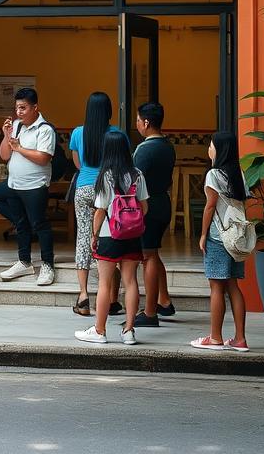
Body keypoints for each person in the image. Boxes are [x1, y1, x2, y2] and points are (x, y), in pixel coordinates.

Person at [74, 132, 148, 345]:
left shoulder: (105, 176)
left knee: (105, 284)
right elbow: (144, 207)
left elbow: (100, 210)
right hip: (133, 236)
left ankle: (99, 331)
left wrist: (94, 236)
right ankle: (129, 331)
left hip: (109, 235)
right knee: (131, 282)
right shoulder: (137, 174)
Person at [0, 87, 57, 286]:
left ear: (35, 108)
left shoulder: (45, 129)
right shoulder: (16, 126)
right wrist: (5, 135)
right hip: (14, 184)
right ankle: (24, 261)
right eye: (17, 107)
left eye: (23, 107)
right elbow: (4, 155)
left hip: (35, 186)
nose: (19, 112)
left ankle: (47, 264)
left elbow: (43, 158)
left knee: (40, 225)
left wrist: (19, 148)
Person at [191, 130, 250, 353]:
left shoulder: (214, 174)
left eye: (211, 145)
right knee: (233, 285)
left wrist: (203, 234)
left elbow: (210, 206)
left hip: (218, 235)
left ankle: (215, 337)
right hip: (236, 236)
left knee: (216, 286)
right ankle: (240, 338)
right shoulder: (239, 173)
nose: (209, 149)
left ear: (220, 149)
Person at [68, 91, 121, 316]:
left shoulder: (78, 133)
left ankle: (83, 296)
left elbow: (78, 164)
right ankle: (110, 297)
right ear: (108, 110)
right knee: (109, 238)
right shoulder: (116, 133)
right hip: (108, 189)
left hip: (83, 189)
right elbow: (120, 163)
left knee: (83, 237)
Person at [133, 101, 177, 327]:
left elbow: (134, 180)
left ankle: (150, 312)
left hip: (147, 206)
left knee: (147, 256)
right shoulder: (168, 146)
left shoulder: (144, 150)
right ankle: (165, 300)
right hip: (163, 203)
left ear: (147, 122)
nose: (137, 124)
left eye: (138, 120)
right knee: (153, 252)